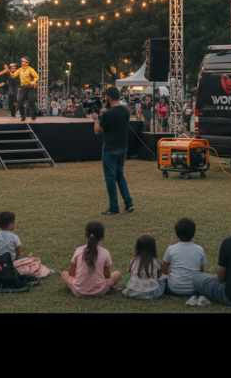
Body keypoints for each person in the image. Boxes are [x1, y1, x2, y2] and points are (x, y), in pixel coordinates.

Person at [93, 87, 133, 215]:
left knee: (110, 178)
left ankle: (114, 207)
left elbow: (97, 130)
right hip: (123, 147)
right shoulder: (125, 111)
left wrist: (96, 118)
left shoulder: (107, 114)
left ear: (109, 97)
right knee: (120, 175)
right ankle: (129, 203)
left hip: (110, 148)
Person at [60, 221, 122, 297]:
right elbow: (107, 276)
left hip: (78, 291)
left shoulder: (78, 250)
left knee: (64, 273)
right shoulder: (105, 252)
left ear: (86, 235)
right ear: (102, 237)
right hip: (100, 291)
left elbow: (71, 273)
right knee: (117, 274)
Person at [161, 217, 208, 298]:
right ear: (193, 233)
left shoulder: (171, 248)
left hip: (173, 288)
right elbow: (201, 271)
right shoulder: (199, 249)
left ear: (177, 233)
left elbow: (164, 269)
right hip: (194, 288)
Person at [122, 234, 166, 300]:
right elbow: (159, 276)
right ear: (153, 248)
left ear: (137, 247)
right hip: (151, 292)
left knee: (129, 276)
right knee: (164, 278)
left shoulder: (134, 260)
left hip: (133, 291)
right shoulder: (156, 262)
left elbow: (129, 273)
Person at [12, 57, 39, 122]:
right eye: (22, 61)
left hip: (30, 87)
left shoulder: (30, 69)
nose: (22, 63)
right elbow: (13, 76)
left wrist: (34, 81)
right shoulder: (20, 69)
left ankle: (33, 116)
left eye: (24, 61)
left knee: (31, 101)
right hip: (23, 87)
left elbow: (37, 77)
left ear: (27, 63)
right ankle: (23, 116)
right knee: (20, 102)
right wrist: (8, 71)